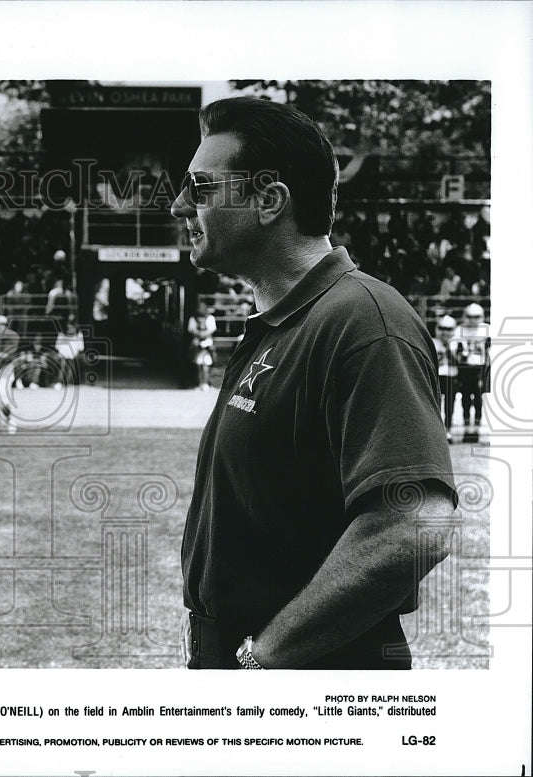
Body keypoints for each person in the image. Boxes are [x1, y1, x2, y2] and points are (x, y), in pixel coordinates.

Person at [169, 97, 456, 670]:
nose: (179, 206)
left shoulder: (364, 320)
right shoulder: (291, 320)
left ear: (269, 202)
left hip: (313, 678)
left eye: (199, 188)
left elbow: (414, 521)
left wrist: (264, 657)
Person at [451, 302, 490, 442]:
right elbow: (453, 347)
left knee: (479, 399)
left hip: (480, 367)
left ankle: (477, 428)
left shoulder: (486, 329)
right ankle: (468, 428)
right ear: (465, 316)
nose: (473, 320)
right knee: (466, 398)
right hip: (465, 368)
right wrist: (461, 356)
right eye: (470, 317)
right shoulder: (460, 329)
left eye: (476, 317)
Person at [433, 315, 460, 443]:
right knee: (435, 404)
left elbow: (459, 362)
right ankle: (436, 431)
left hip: (451, 376)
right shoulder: (432, 342)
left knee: (450, 405)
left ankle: (448, 430)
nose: (445, 332)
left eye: (449, 329)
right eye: (442, 328)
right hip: (437, 375)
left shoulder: (456, 343)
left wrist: (448, 347)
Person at [187, 301, 217, 390]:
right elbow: (191, 330)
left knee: (206, 366)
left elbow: (212, 330)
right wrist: (199, 334)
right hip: (197, 343)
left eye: (203, 307)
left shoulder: (210, 318)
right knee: (198, 365)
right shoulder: (193, 319)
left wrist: (203, 335)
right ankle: (199, 384)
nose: (201, 310)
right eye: (199, 308)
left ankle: (207, 384)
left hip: (207, 343)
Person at [53, 313, 84, 390]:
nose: (70, 326)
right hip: (63, 352)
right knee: (62, 365)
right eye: (69, 323)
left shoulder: (78, 333)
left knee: (70, 368)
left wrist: (76, 352)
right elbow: (58, 344)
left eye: (72, 324)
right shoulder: (62, 333)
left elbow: (80, 345)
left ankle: (66, 382)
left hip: (73, 353)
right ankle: (59, 382)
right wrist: (61, 352)